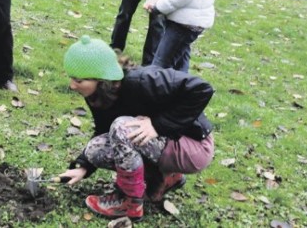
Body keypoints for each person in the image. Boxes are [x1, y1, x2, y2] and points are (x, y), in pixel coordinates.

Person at [58, 35, 215, 221]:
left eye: (78, 80)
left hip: (193, 147)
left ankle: (129, 201)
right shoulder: (98, 93)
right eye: (71, 78)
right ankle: (165, 178)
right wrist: (83, 167)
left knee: (122, 128)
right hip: (165, 145)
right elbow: (102, 131)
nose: (72, 85)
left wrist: (157, 125)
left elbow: (201, 89)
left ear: (101, 78)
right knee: (95, 149)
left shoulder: (143, 80)